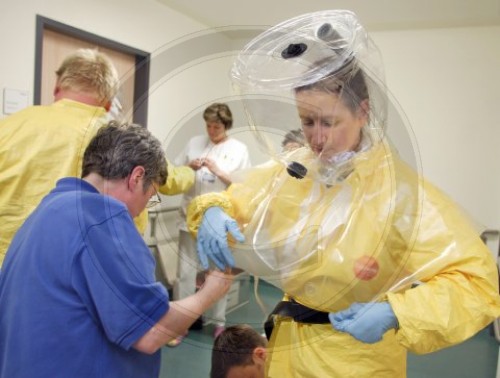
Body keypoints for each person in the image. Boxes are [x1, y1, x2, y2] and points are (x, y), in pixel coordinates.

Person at [186, 10, 500, 377]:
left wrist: (397, 312)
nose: (317, 138)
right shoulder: (296, 170)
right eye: (306, 122)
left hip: (357, 360)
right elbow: (241, 196)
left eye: (329, 122)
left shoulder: (399, 193)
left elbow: (478, 283)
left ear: (363, 112)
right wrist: (213, 208)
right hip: (288, 351)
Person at [0, 122, 232, 378]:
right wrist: (209, 293)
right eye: (151, 194)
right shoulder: (104, 221)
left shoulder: (50, 207)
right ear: (136, 177)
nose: (144, 207)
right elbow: (150, 332)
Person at [171, 102, 251, 346]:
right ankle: (179, 324)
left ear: (226, 125)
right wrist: (189, 167)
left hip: (218, 224)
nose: (211, 130)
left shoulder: (239, 149)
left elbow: (242, 187)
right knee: (184, 274)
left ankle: (218, 323)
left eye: (216, 126)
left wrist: (218, 171)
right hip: (189, 219)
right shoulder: (194, 143)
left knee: (217, 275)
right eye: (208, 125)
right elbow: (176, 172)